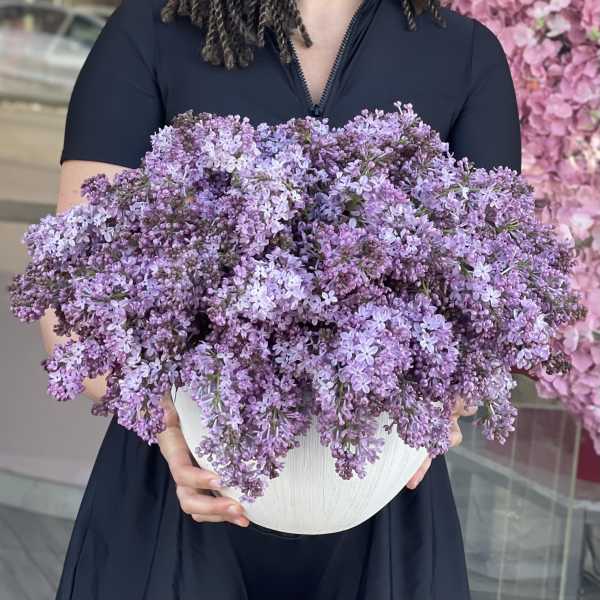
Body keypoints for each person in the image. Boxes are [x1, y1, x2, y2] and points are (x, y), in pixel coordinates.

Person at [42, 0, 521, 597]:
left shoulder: (464, 53)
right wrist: (165, 427)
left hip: (379, 501)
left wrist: (448, 404)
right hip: (180, 487)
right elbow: (73, 297)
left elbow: (496, 296)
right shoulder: (151, 30)